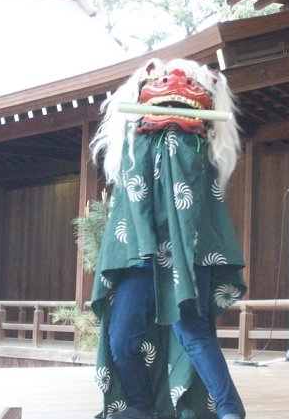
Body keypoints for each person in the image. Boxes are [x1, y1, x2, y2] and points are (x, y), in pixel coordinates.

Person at [90, 58, 247, 419]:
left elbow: (202, 211)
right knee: (123, 337)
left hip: (188, 255)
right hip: (139, 255)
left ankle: (228, 410)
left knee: (192, 333)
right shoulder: (134, 145)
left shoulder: (200, 147)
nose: (174, 85)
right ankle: (141, 404)